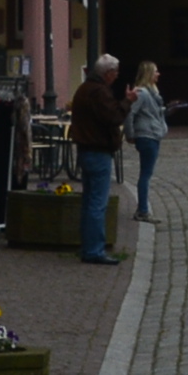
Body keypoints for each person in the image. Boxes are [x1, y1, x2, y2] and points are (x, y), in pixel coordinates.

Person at [65, 55, 126, 262]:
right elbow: (114, 117)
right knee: (97, 203)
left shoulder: (84, 89)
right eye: (115, 72)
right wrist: (128, 101)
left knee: (89, 201)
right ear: (107, 73)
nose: (117, 76)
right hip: (98, 151)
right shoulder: (99, 92)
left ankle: (88, 246)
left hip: (86, 150)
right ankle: (94, 250)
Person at [123, 61, 168, 223]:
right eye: (155, 71)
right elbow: (130, 113)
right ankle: (142, 210)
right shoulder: (142, 93)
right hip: (147, 136)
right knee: (145, 175)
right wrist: (130, 134)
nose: (158, 74)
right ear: (149, 74)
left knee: (146, 173)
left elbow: (150, 112)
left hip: (152, 134)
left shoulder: (151, 93)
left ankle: (142, 209)